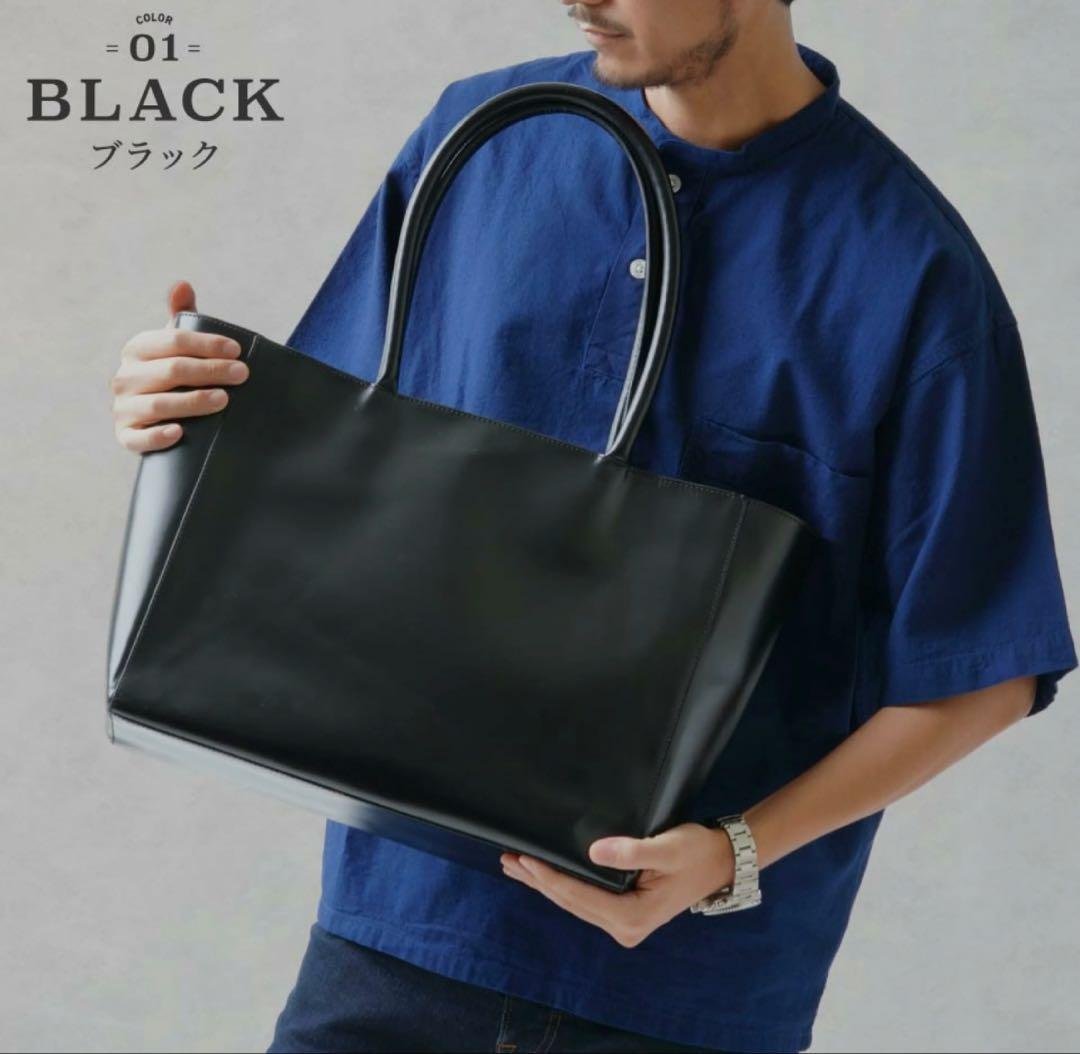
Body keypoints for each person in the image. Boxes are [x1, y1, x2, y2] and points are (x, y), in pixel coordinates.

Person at [107, 1, 1078, 1051]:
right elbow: (328, 464)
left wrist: (733, 852)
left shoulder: (911, 270)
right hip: (398, 933)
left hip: (685, 995)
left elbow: (984, 668)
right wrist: (181, 404)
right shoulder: (480, 141)